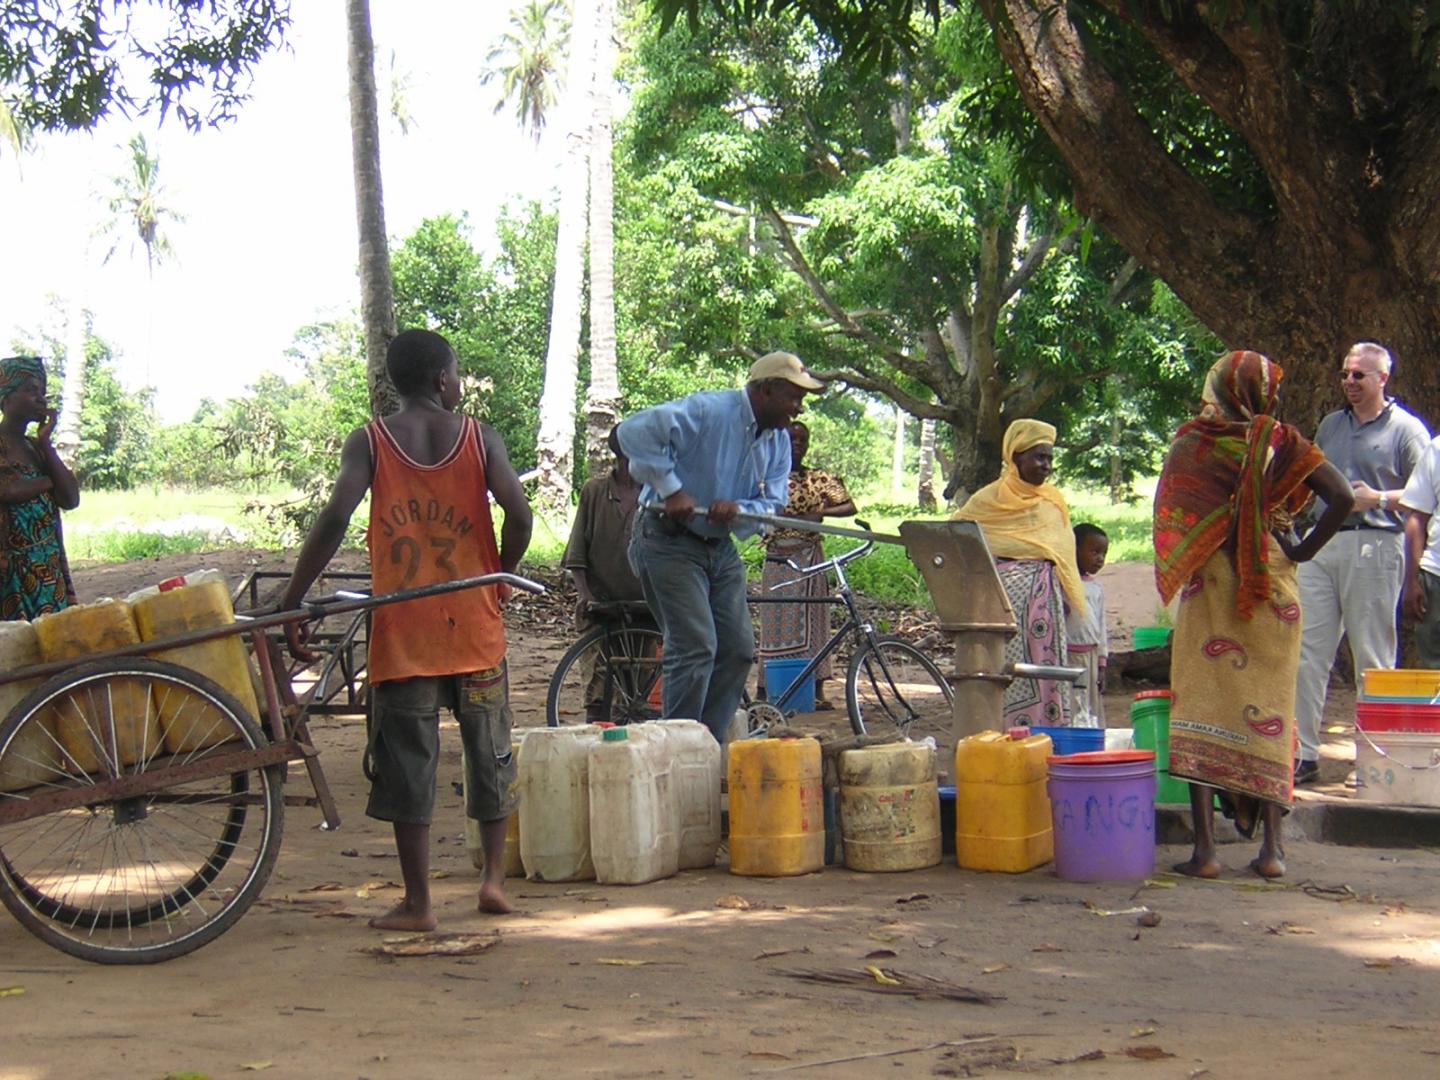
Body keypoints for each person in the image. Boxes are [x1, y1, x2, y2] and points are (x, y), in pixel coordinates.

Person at [280, 329, 532, 930]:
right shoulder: (479, 438)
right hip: (473, 625)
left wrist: (294, 596)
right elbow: (518, 515)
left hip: (403, 631)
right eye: (458, 373)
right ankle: (492, 881)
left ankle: (418, 902)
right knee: (489, 752)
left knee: (409, 761)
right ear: (444, 380)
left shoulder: (369, 441)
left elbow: (336, 516)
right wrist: (501, 574)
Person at [1155, 351, 1352, 879]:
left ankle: (1206, 852)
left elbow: (1175, 514)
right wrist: (1304, 549)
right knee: (1272, 713)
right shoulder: (1283, 442)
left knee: (1196, 707)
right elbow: (1343, 495)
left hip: (1214, 585)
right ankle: (1272, 851)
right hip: (1274, 584)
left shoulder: (1193, 442)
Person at [619, 351, 821, 742]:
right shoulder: (709, 410)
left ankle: (704, 744)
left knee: (738, 648)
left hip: (717, 545)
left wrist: (738, 510)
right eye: (793, 397)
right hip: (667, 538)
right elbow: (632, 432)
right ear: (765, 390)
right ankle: (676, 747)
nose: (797, 409)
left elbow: (772, 506)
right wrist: (672, 489)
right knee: (695, 645)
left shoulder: (778, 442)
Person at [1292, 342, 1429, 784]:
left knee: (1372, 655)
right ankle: (1304, 753)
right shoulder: (1331, 425)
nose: (1350, 382)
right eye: (1346, 374)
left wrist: (1380, 498)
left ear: (1382, 378)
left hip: (1375, 544)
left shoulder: (1407, 431)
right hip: (1322, 544)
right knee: (1307, 652)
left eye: (1359, 376)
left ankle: (1372, 759)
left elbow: (1427, 496)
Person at [952, 418, 1087, 728]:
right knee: (1005, 673)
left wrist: (1066, 595)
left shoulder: (1051, 502)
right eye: (1040, 456)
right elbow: (958, 535)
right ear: (1015, 456)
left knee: (1044, 671)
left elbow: (1062, 555)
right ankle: (1005, 740)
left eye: (1050, 458)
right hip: (1000, 609)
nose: (1047, 466)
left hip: (1046, 613)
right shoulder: (988, 500)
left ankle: (1047, 737)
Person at [757, 420, 855, 709]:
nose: (797, 444)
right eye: (792, 439)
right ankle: (765, 690)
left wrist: (820, 512)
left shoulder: (818, 478)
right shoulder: (766, 478)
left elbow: (849, 505)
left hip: (810, 555)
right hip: (778, 556)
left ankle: (816, 690)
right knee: (774, 624)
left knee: (815, 622)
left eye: (803, 439)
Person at [562, 425, 646, 720]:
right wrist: (585, 595)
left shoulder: (655, 495)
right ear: (621, 454)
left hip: (643, 606)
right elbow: (576, 555)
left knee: (638, 692)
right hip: (602, 604)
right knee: (598, 692)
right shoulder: (595, 491)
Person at [0, 355, 79, 620]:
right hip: (9, 574)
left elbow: (70, 499)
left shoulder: (35, 448)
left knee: (55, 642)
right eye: (31, 390)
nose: (41, 398)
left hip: (48, 568)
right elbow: (9, 490)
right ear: (6, 398)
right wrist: (47, 482)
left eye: (43, 391)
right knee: (15, 646)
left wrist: (46, 444)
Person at [1400, 435, 1440, 668]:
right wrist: (1412, 581)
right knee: (1435, 671)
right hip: (1436, 576)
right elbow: (1417, 516)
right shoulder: (1436, 448)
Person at [1065, 523, 1109, 725]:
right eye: (1094, 551)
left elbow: (1101, 628)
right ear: (1075, 549)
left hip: (1091, 656)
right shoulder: (1062, 584)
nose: (1100, 559)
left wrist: (1102, 663)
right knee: (1072, 703)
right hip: (1068, 656)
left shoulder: (1096, 588)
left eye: (1104, 553)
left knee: (1091, 704)